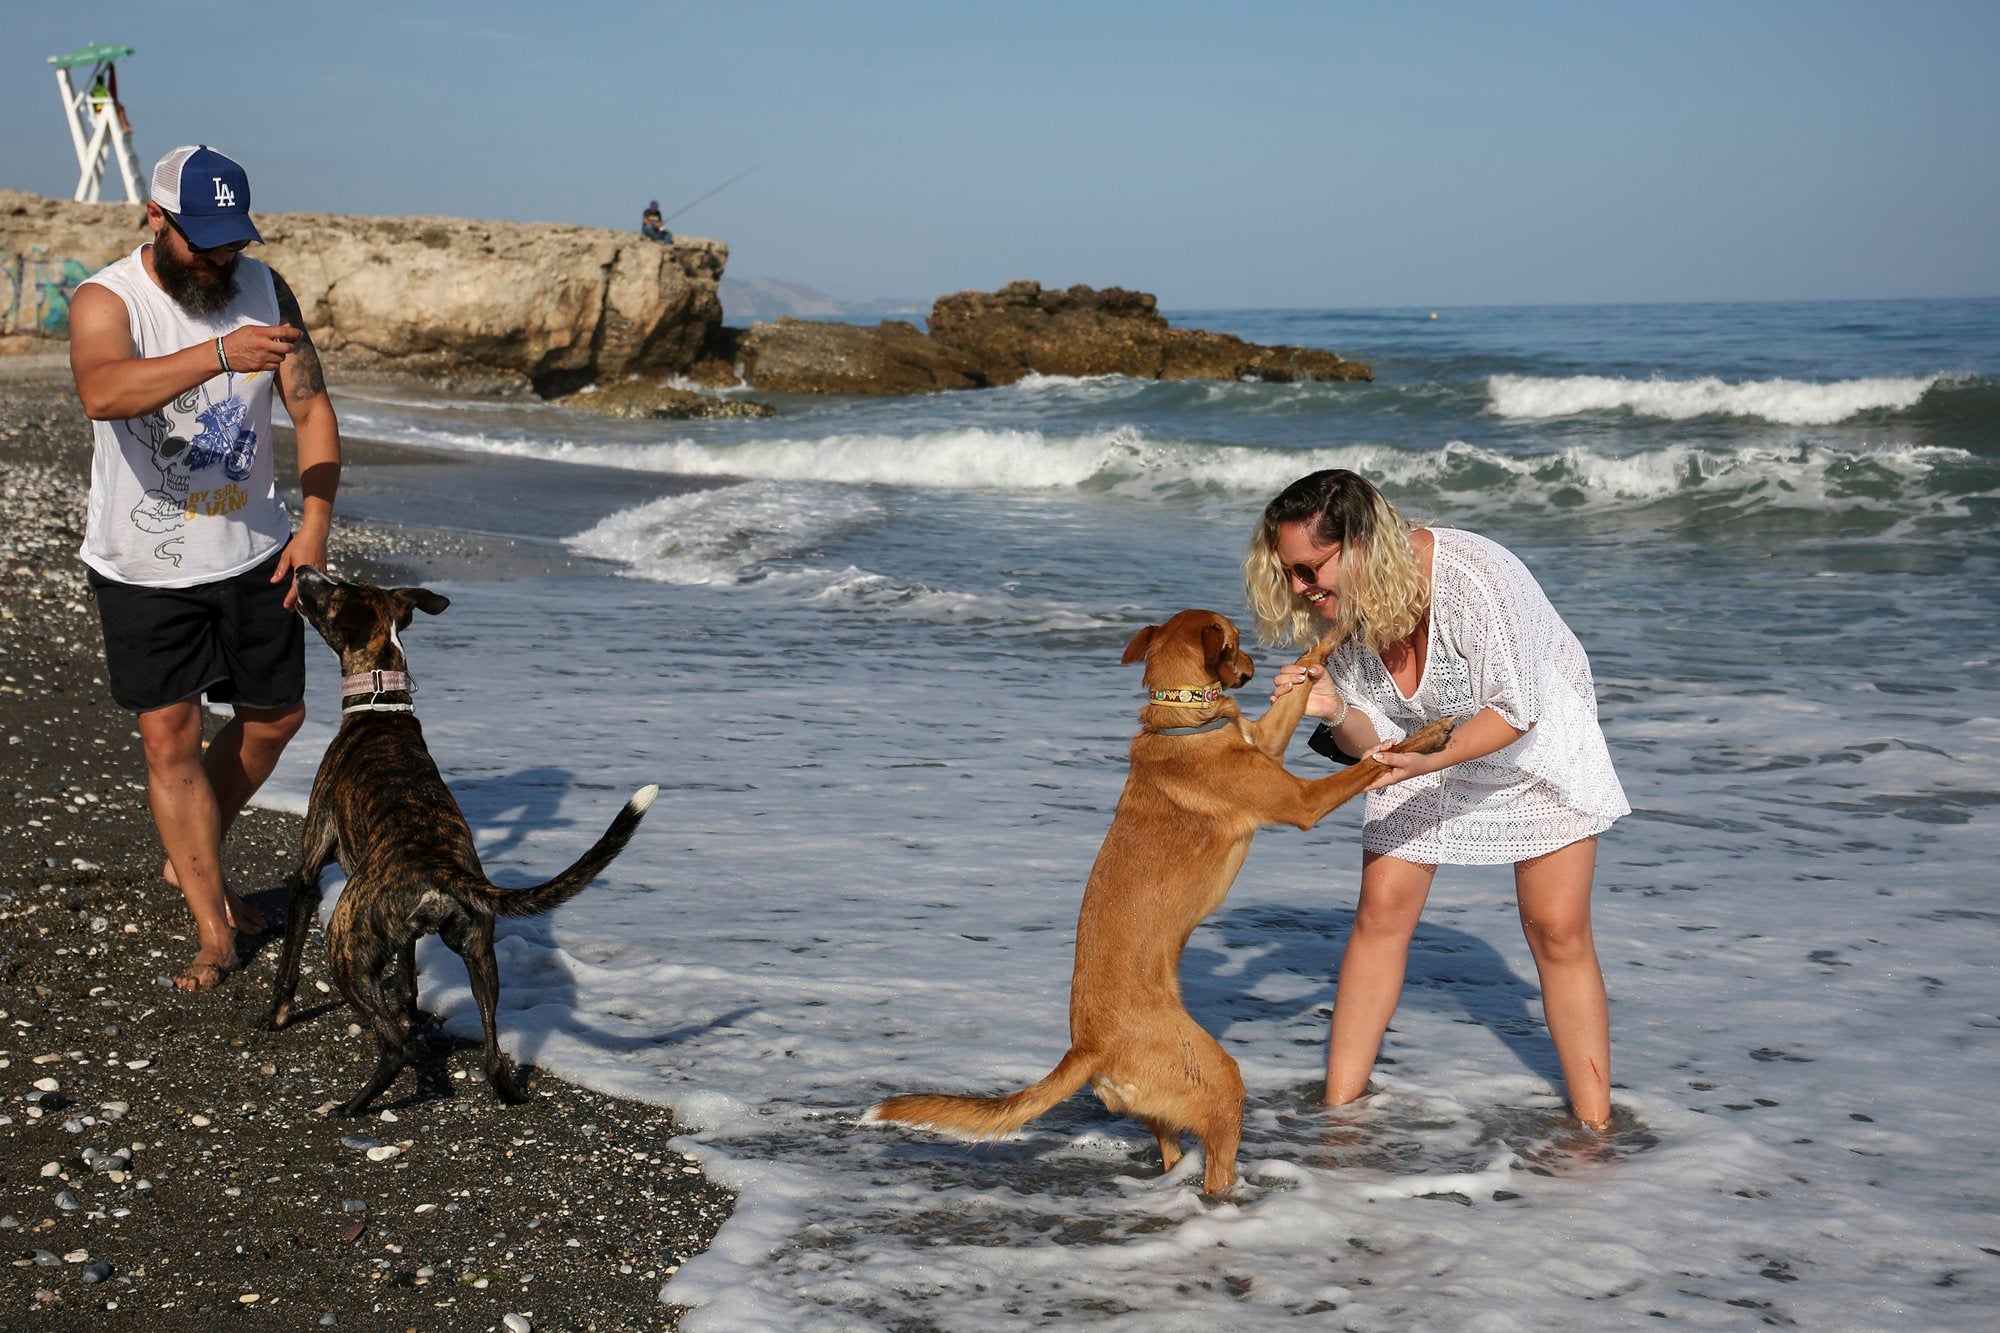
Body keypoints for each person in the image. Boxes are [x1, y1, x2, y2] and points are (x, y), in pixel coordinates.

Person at [1247, 469, 1628, 1130]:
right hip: (1428, 741)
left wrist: (1423, 756)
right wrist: (1335, 709)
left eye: (1310, 570)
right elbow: (1375, 742)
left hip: (1529, 735)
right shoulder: (1342, 614)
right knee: (1382, 909)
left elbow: (1516, 711)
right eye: (1290, 576)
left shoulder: (1476, 577)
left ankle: (1595, 1132)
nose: (1301, 590)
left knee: (1556, 928)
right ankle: (1339, 1116)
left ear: (1360, 541)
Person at [67, 145, 342, 992]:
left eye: (233, 240)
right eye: (204, 241)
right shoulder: (106, 297)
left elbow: (311, 404)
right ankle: (212, 924)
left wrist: (315, 528)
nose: (222, 258)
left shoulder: (268, 288)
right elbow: (103, 390)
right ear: (157, 219)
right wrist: (222, 354)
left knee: (278, 718)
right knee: (169, 735)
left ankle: (188, 855)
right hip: (143, 561)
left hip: (255, 549)